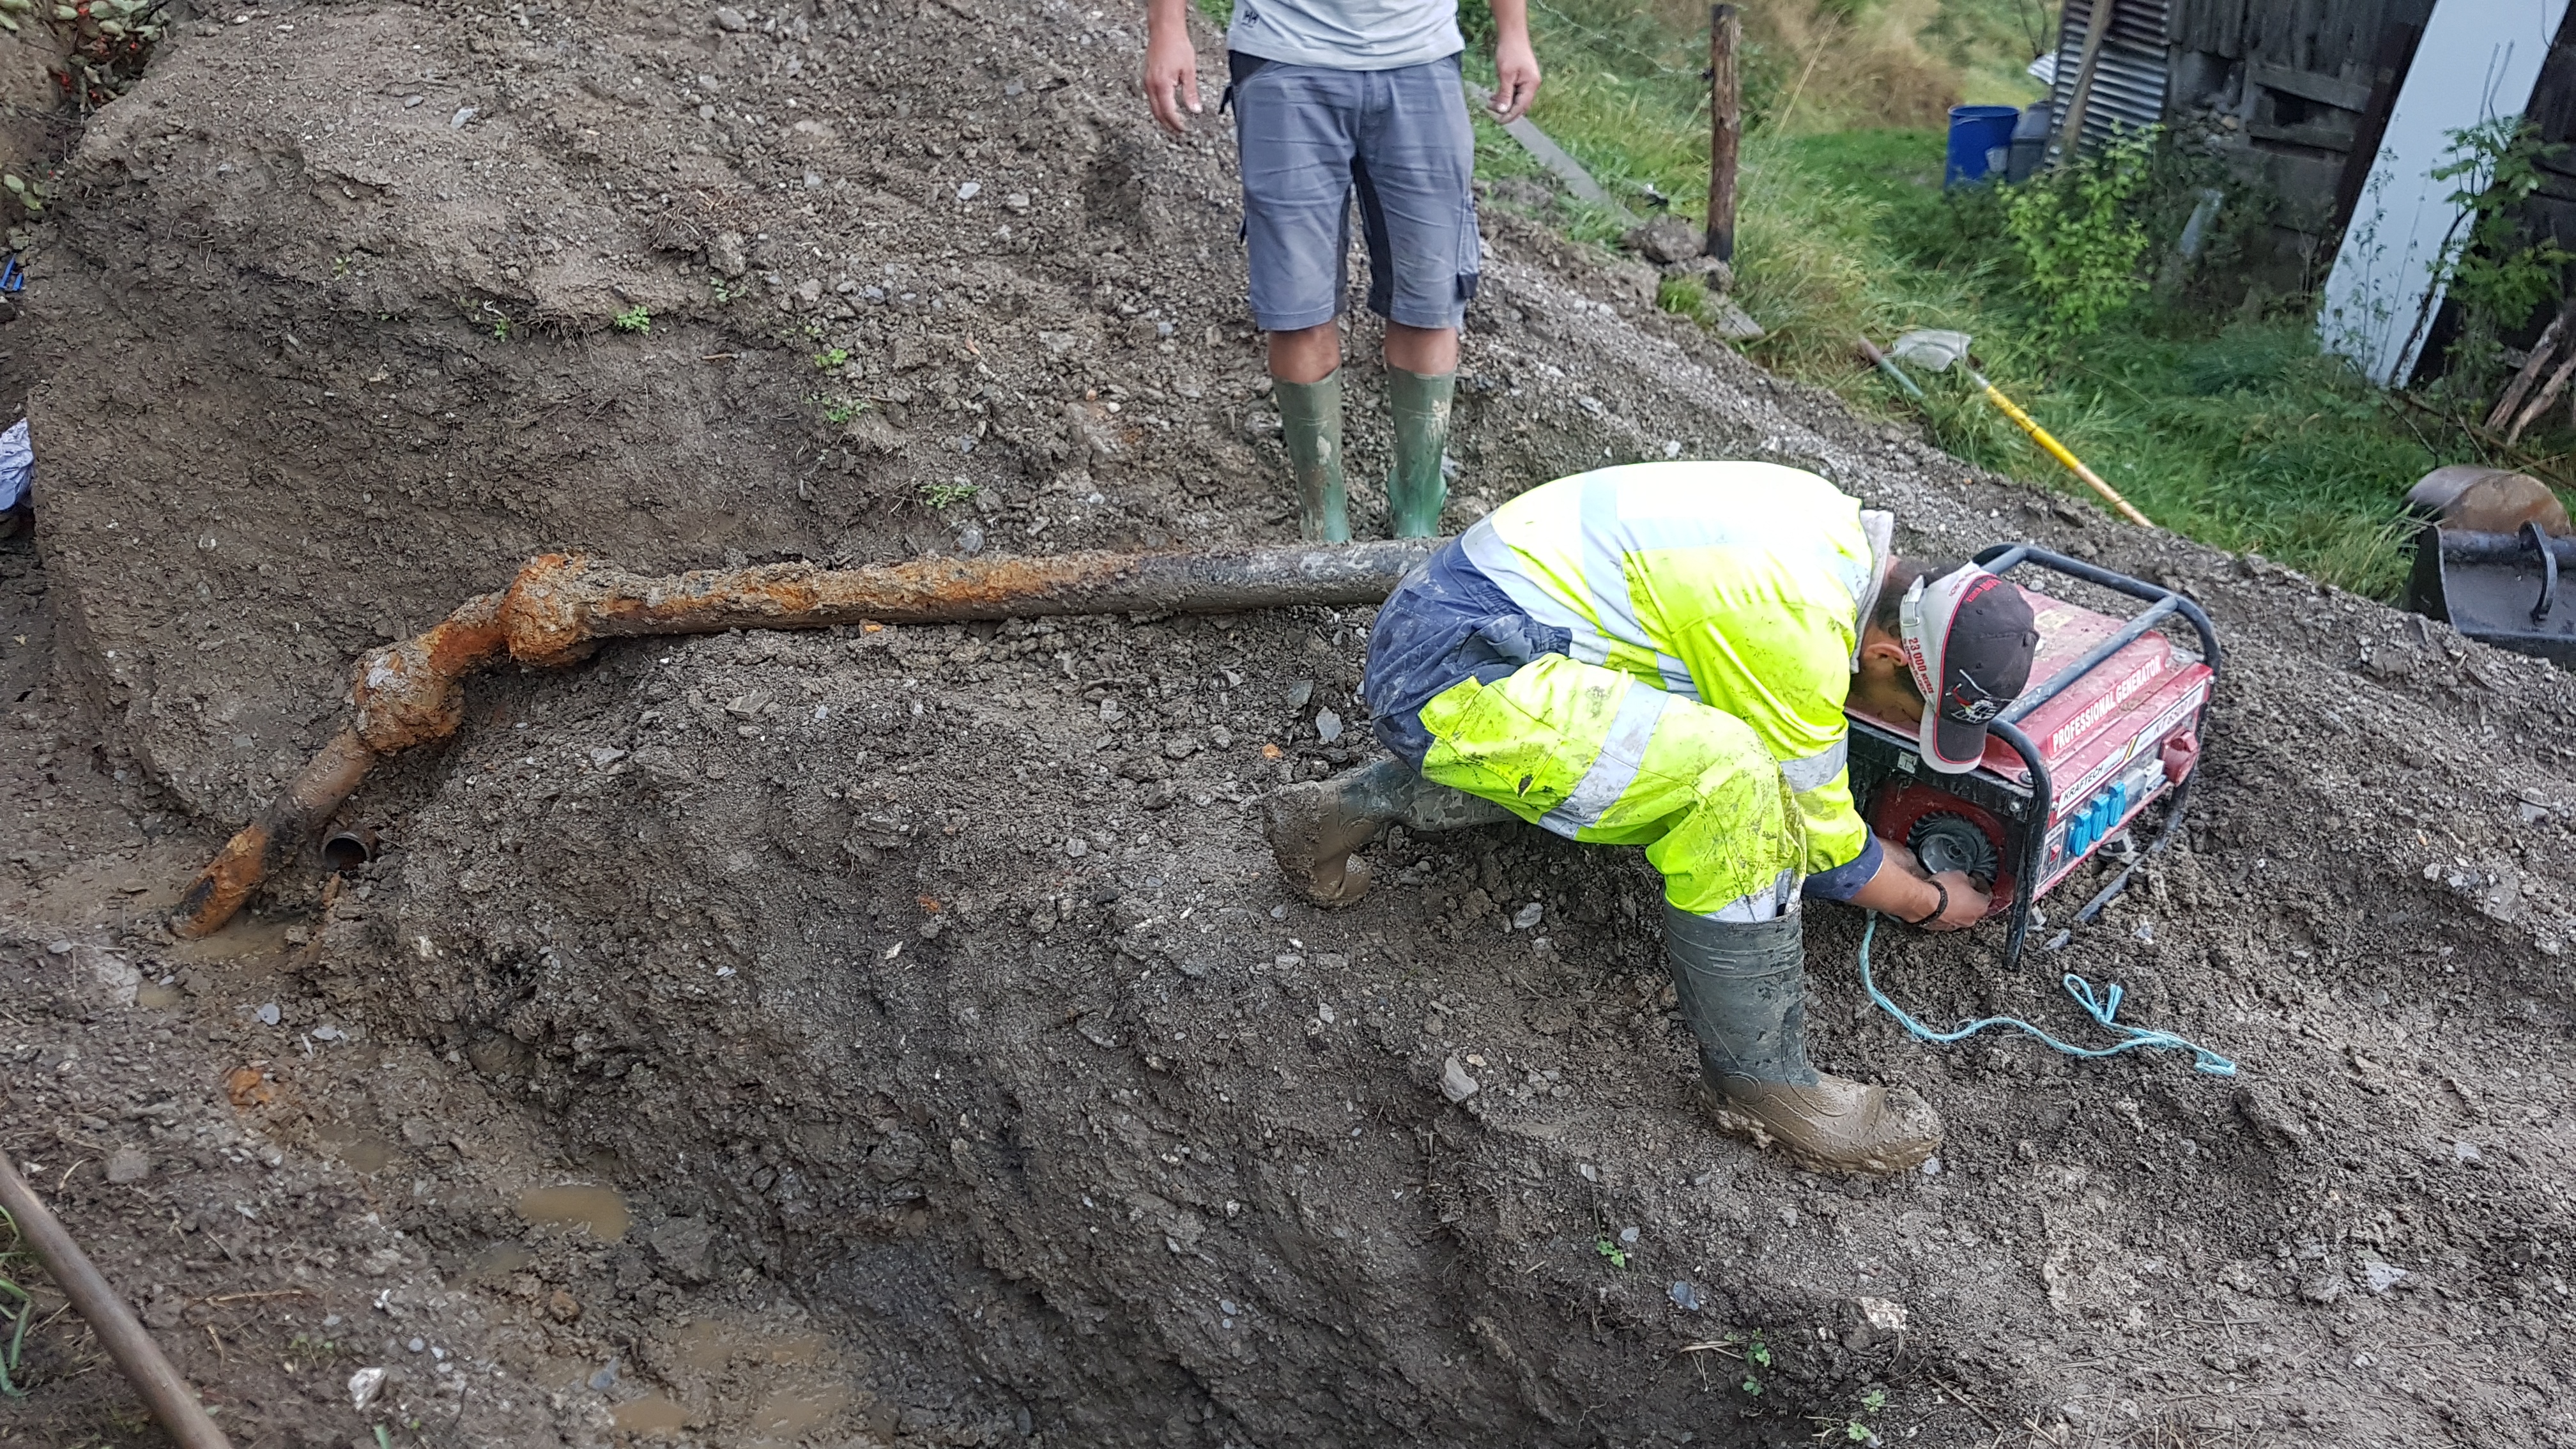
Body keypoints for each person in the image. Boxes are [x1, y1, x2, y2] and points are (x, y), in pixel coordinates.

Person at [1262, 461, 2041, 1174]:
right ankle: (1763, 1089)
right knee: (1731, 782)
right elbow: (1815, 837)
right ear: (1887, 659)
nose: (1906, 725)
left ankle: (1338, 815)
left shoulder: (1828, 530)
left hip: (1474, 621)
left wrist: (1874, 851)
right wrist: (1929, 898)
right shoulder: (1792, 620)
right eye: (1916, 709)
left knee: (1655, 745)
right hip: (1450, 669)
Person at [1141, 0, 1540, 541]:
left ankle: (1418, 505)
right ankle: (1323, 518)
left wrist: (1512, 32)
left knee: (1429, 301)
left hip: (1420, 58)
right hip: (1284, 53)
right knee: (1296, 307)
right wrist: (1168, 27)